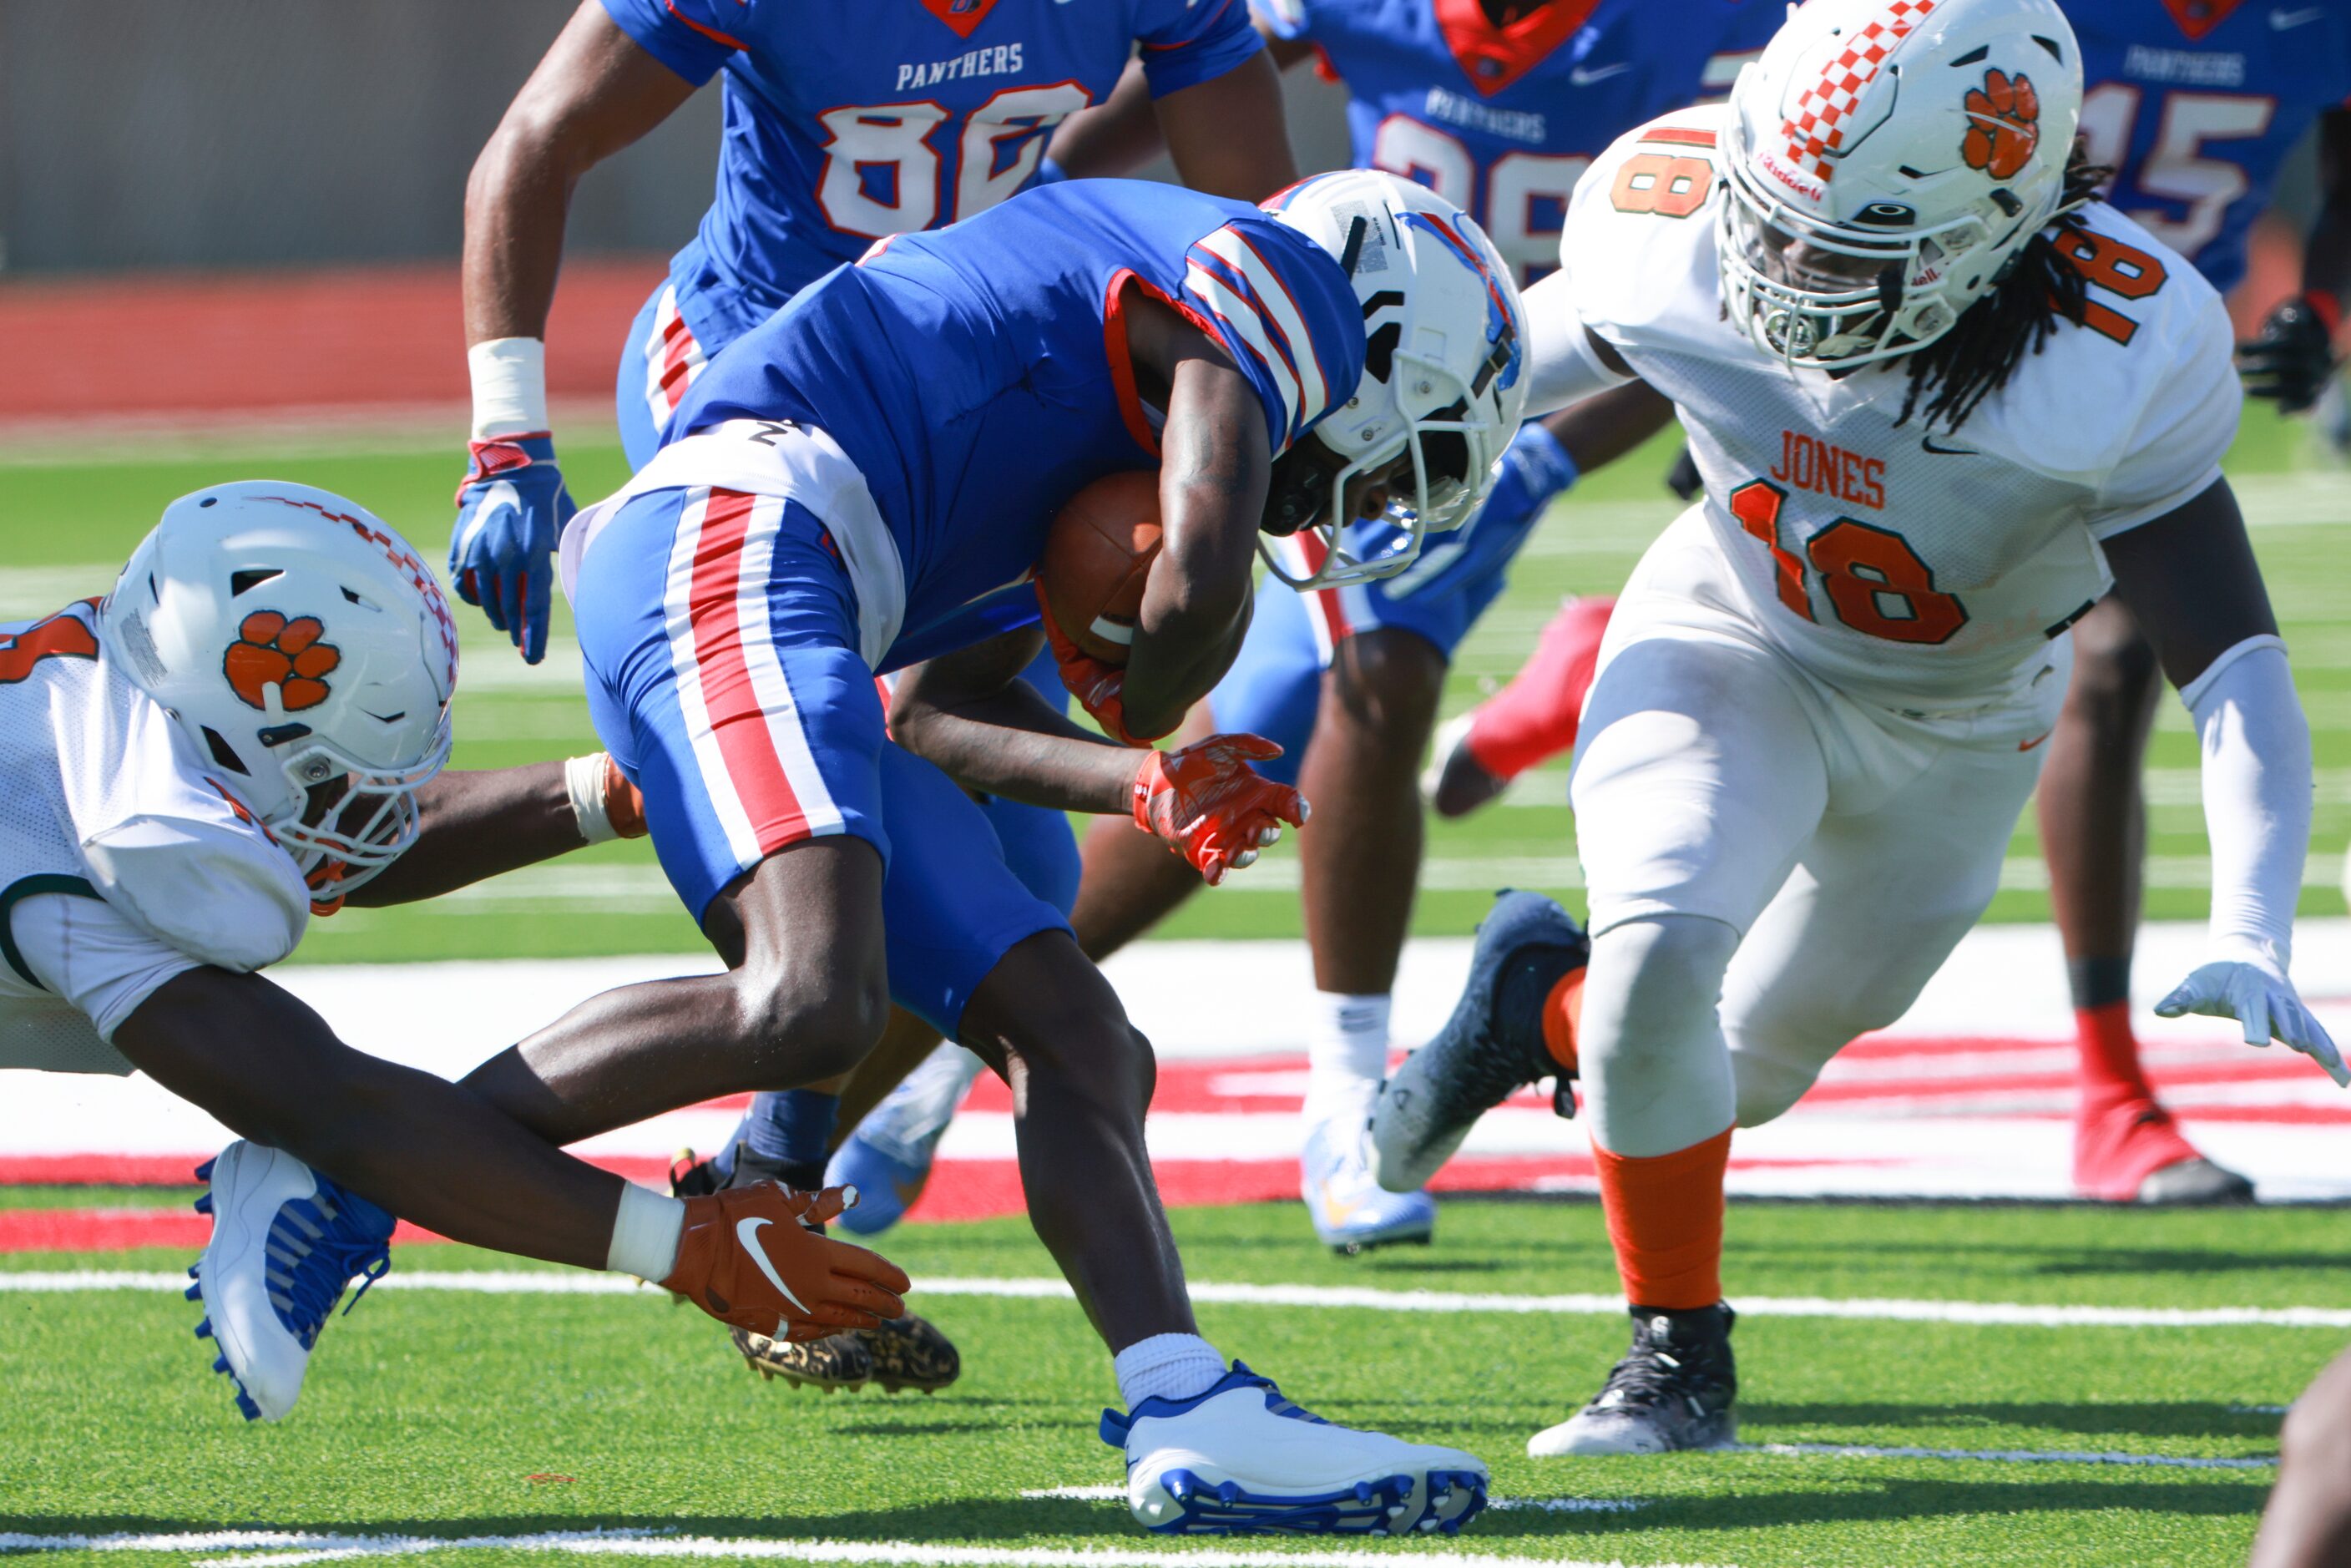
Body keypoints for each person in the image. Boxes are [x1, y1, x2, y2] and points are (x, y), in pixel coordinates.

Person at [442, 169, 1524, 1530]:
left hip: (804, 586)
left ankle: (1184, 1404)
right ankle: (354, 1146)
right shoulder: (1275, 285)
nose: (1358, 495)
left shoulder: (1072, 428)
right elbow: (1191, 575)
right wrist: (1152, 692)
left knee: (1082, 1035)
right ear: (1369, 345)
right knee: (809, 996)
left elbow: (939, 708)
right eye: (1395, 448)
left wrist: (1149, 778)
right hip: (736, 542)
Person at [1370, 0, 2346, 1457]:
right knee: (1655, 969)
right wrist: (1363, 435)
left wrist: (2254, 918)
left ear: (1989, 231)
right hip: (1731, 628)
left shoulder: (2112, 352)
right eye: (1769, 220)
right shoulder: (1678, 217)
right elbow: (1534, 343)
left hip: (1961, 728)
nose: (1777, 271)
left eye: (1842, 251)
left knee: (1736, 1071)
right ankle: (1675, 1355)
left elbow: (2237, 669)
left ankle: (1529, 1009)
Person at [453, 0, 1309, 1390]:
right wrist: (504, 437)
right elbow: (538, 137)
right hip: (754, 388)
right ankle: (405, 1147)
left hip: (967, 395)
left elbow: (1252, 227)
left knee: (1003, 863)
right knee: (923, 860)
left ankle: (765, 1167)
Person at [838, 0, 1776, 1258]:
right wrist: (1039, 181)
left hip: (1516, 405)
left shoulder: (1705, 27)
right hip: (1350, 407)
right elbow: (1207, 56)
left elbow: (1694, 288)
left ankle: (1337, 1096)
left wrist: (1548, 464)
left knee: (1317, 715)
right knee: (1272, 742)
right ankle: (963, 1065)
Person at [0, 481, 908, 1424]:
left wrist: (633, 787)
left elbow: (346, 833)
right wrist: (682, 1245)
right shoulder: (71, 831)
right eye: (328, 769)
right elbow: (333, 1110)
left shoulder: (122, 687)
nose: (355, 796)